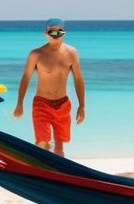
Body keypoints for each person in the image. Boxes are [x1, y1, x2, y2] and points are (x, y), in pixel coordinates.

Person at [13, 17, 86, 156]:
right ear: (46, 33)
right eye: (52, 32)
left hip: (63, 105)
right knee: (42, 143)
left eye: (60, 32)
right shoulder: (36, 54)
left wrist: (82, 105)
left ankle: (59, 174)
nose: (56, 36)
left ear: (65, 33)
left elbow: (78, 79)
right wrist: (19, 103)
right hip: (42, 104)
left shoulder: (72, 53)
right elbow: (26, 78)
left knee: (59, 148)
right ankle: (38, 170)